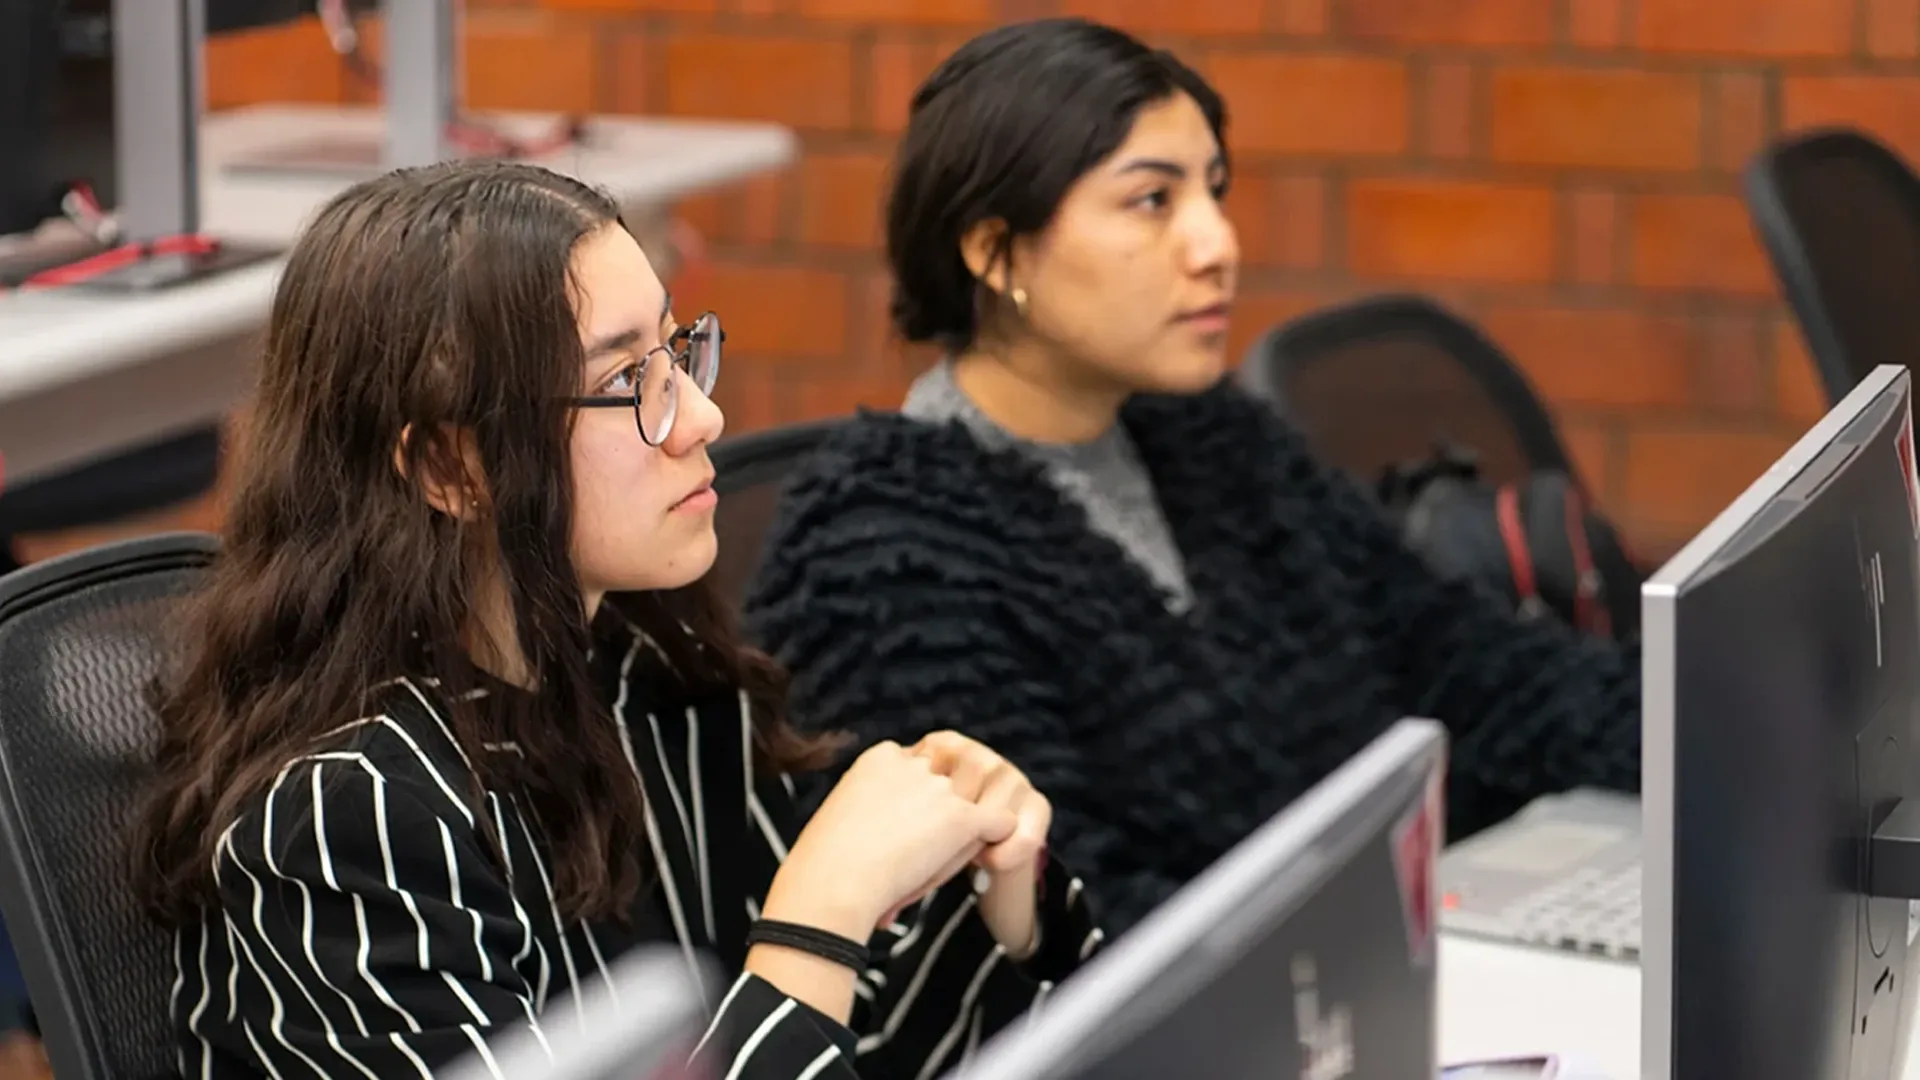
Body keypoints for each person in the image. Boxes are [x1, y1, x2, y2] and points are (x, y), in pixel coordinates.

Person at [126, 161, 1100, 1080]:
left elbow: (864, 1041)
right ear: (449, 470)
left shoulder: (659, 687)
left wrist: (1005, 914)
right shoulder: (347, 828)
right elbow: (805, 987)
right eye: (630, 381)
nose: (702, 418)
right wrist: (815, 921)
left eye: (679, 353)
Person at [743, 17, 1640, 936]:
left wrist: (1713, 737)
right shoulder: (882, 552)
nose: (1217, 243)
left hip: (1371, 963)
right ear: (995, 250)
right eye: (1151, 201)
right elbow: (1067, 931)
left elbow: (1470, 662)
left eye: (1214, 191)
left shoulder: (1210, 440)